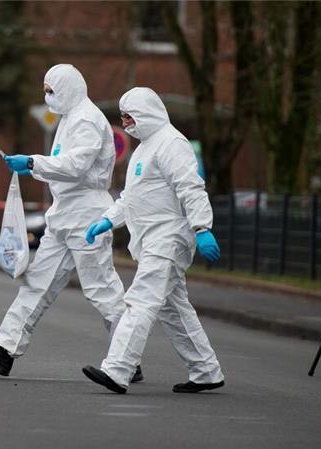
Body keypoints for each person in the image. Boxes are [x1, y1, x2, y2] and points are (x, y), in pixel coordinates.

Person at [0, 64, 143, 382]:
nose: (47, 96)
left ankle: (127, 357)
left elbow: (75, 165)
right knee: (36, 284)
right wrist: (33, 166)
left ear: (68, 88)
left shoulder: (87, 120)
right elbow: (62, 166)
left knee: (101, 289)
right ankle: (3, 350)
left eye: (51, 90)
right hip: (64, 216)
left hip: (87, 216)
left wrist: (32, 162)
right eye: (45, 90)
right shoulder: (70, 118)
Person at [82, 87, 225, 394]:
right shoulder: (145, 147)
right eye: (122, 116)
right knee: (173, 309)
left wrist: (202, 228)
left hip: (168, 238)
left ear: (146, 112)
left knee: (141, 300)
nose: (126, 121)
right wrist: (108, 219)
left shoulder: (172, 143)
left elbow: (191, 188)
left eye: (128, 115)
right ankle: (206, 370)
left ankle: (117, 370)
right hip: (151, 239)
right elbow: (132, 198)